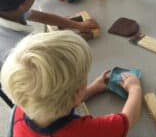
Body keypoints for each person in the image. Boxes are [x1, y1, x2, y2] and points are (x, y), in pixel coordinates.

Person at [1, 30, 142, 137]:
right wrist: (135, 88)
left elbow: (57, 102)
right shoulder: (81, 131)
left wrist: (91, 89)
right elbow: (126, 121)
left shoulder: (23, 106)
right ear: (77, 94)